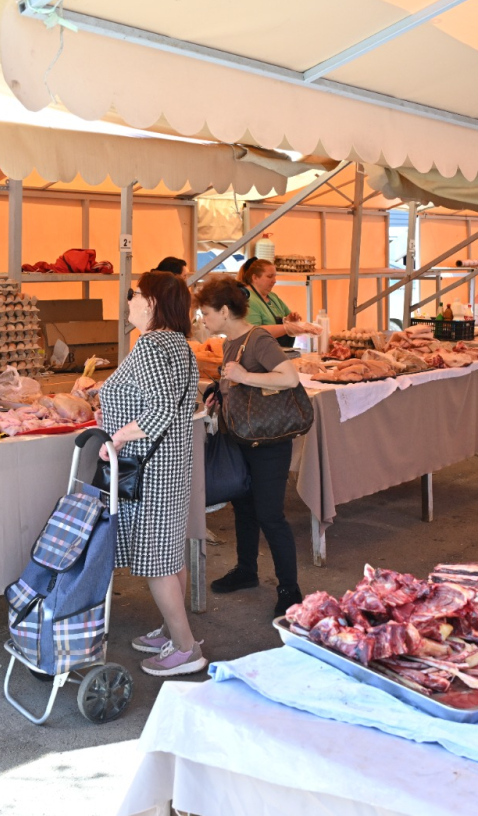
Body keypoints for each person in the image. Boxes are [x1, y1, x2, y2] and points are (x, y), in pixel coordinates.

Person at [99, 271, 205, 676]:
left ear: (152, 302)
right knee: (170, 552)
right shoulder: (178, 344)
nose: (129, 300)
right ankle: (171, 631)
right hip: (170, 463)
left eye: (134, 294)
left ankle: (186, 649)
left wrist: (118, 438)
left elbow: (159, 409)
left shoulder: (150, 345)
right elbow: (173, 402)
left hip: (151, 469)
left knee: (158, 560)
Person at [195, 276, 304, 616]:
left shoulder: (258, 339)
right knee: (243, 507)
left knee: (270, 514)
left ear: (225, 311)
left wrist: (243, 377)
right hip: (242, 436)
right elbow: (238, 381)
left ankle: (290, 589)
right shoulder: (232, 341)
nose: (203, 319)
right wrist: (220, 388)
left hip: (268, 442)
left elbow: (289, 377)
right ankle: (247, 570)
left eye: (206, 313)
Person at [238, 259, 301, 349]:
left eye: (275, 276)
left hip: (280, 352)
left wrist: (290, 320)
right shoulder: (247, 299)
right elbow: (253, 334)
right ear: (255, 278)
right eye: (270, 276)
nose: (274, 281)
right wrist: (286, 328)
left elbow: (288, 316)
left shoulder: (273, 296)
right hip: (260, 354)